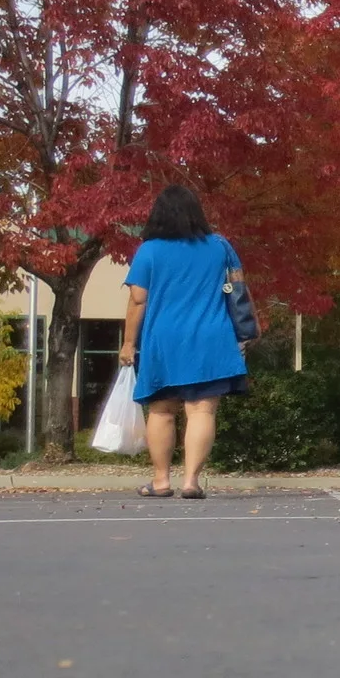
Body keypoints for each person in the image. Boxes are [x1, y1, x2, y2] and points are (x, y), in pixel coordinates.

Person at [118, 184, 252, 499]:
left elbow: (138, 300)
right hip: (212, 338)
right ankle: (191, 482)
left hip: (163, 339)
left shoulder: (149, 250)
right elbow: (240, 290)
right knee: (202, 411)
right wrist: (244, 332)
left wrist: (128, 344)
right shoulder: (220, 247)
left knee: (161, 410)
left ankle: (161, 481)